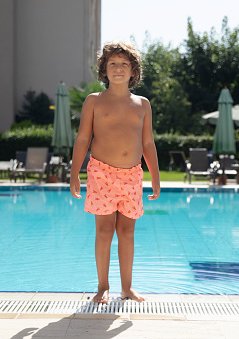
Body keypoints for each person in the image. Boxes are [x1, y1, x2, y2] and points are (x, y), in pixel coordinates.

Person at [69, 41, 160, 304]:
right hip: (100, 173)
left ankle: (127, 288)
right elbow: (82, 138)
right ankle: (102, 287)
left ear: (133, 71)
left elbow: (147, 143)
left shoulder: (142, 104)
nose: (118, 68)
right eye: (112, 64)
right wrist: (75, 173)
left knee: (128, 233)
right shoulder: (94, 101)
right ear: (104, 70)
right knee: (104, 231)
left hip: (132, 175)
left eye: (124, 64)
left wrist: (155, 176)